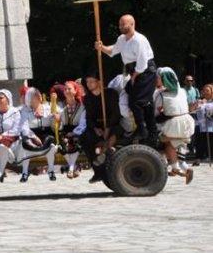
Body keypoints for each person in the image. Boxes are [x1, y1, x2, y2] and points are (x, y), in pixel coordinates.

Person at [95, 14, 158, 143]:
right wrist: (102, 48)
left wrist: (134, 76)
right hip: (135, 71)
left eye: (124, 24)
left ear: (132, 24)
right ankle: (150, 130)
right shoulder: (122, 39)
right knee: (133, 96)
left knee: (137, 102)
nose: (121, 26)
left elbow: (142, 63)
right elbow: (112, 51)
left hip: (145, 72)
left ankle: (143, 129)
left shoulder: (139, 40)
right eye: (120, 24)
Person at [154, 67, 195, 183]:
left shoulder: (161, 94)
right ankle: (184, 166)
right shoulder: (182, 91)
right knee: (180, 142)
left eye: (158, 78)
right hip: (187, 122)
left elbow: (156, 113)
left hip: (173, 124)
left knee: (166, 143)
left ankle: (175, 167)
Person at [80, 71, 122, 183]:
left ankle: (104, 151)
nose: (88, 84)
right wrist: (95, 128)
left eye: (91, 81)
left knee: (117, 131)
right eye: (87, 81)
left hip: (112, 124)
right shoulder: (87, 98)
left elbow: (115, 113)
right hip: (97, 126)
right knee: (84, 138)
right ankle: (98, 171)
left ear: (99, 82)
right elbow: (88, 118)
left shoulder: (111, 94)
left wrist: (108, 128)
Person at [17, 87, 58, 182]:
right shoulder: (25, 111)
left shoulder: (49, 107)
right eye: (35, 95)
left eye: (39, 94)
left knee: (51, 145)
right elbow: (24, 127)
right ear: (29, 99)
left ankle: (51, 170)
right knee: (25, 146)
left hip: (47, 134)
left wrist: (55, 118)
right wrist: (33, 136)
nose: (39, 96)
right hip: (32, 134)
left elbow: (56, 125)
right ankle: (24, 172)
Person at [56, 81, 87, 179]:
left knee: (76, 141)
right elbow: (58, 125)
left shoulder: (82, 107)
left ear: (75, 91)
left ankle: (70, 168)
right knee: (61, 143)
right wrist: (57, 120)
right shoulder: (61, 107)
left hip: (77, 131)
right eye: (65, 89)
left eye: (69, 89)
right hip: (64, 132)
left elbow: (83, 123)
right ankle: (74, 166)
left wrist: (73, 133)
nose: (66, 91)